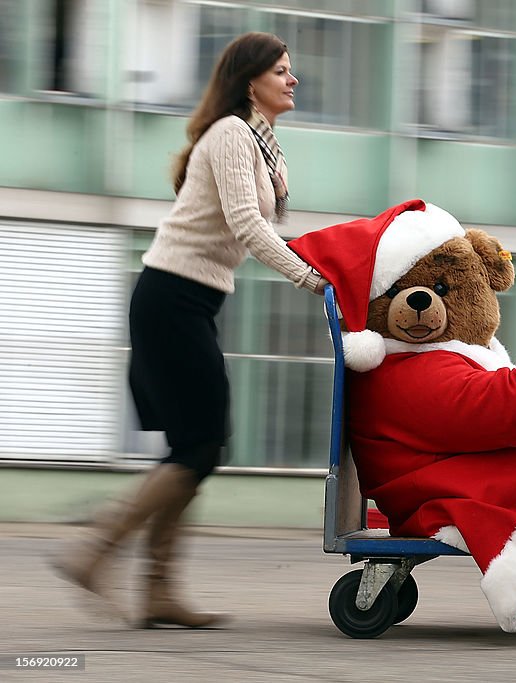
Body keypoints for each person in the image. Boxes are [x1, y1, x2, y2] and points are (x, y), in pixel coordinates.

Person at [53, 32, 325, 628]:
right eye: (281, 70)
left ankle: (155, 590)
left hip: (191, 302)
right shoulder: (232, 134)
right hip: (170, 297)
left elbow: (269, 229)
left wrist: (324, 263)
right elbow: (250, 229)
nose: (293, 79)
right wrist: (314, 281)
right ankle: (97, 551)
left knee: (195, 447)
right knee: (203, 444)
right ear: (250, 79)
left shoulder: (261, 143)